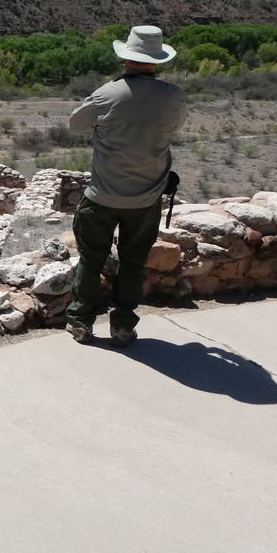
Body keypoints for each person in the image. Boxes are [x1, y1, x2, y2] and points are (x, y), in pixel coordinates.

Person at [65, 25, 188, 347]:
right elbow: (175, 126)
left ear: (126, 58)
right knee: (133, 263)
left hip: (103, 195)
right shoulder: (173, 96)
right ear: (157, 60)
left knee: (91, 260)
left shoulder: (108, 93)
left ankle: (81, 322)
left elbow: (75, 125)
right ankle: (123, 327)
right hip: (147, 199)